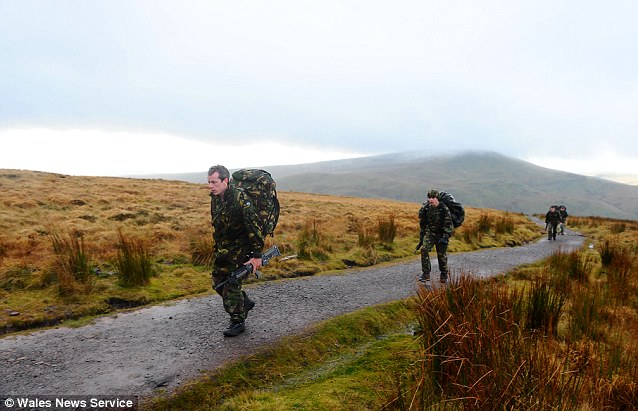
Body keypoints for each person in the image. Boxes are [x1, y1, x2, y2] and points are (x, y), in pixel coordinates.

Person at [208, 165, 264, 337]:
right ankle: (243, 302)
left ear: (225, 180)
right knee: (218, 283)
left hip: (241, 251)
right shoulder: (216, 198)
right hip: (224, 250)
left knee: (231, 285)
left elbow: (254, 228)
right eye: (209, 182)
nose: (210, 186)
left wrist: (256, 256)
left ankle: (238, 321)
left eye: (214, 182)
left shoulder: (241, 199)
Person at [417, 189, 454, 287]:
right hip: (430, 233)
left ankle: (444, 274)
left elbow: (449, 224)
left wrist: (445, 237)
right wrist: (422, 235)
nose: (431, 199)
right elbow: (422, 222)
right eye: (429, 198)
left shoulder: (444, 208)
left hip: (441, 234)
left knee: (441, 255)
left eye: (433, 197)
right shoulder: (427, 208)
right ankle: (426, 274)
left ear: (437, 198)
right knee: (424, 249)